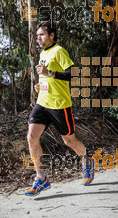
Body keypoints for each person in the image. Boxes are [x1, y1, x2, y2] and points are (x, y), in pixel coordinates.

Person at [25, 21, 95, 196]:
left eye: (42, 35)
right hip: (43, 103)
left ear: (51, 35)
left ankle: (87, 161)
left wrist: (50, 74)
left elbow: (72, 74)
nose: (38, 38)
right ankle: (41, 177)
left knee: (69, 141)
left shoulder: (59, 51)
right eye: (38, 35)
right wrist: (41, 86)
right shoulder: (43, 53)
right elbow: (48, 78)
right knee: (31, 136)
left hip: (60, 105)